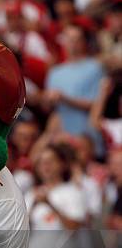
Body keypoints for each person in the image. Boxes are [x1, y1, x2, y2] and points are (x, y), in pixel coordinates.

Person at [17, 144, 87, 248]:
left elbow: (74, 227)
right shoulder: (31, 194)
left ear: (62, 165)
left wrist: (50, 204)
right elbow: (21, 229)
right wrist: (33, 206)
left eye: (50, 162)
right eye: (42, 163)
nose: (46, 167)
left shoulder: (72, 192)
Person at [44, 24, 105, 155]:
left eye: (77, 39)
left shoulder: (95, 67)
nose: (73, 43)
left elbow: (96, 103)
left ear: (84, 42)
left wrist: (64, 98)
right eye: (69, 39)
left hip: (88, 137)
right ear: (63, 41)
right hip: (63, 140)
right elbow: (49, 109)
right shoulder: (55, 72)